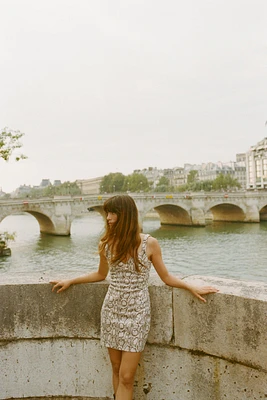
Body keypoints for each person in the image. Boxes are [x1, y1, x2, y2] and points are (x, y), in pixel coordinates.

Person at [50, 194, 218, 400]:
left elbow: (166, 277)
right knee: (115, 367)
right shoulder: (107, 243)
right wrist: (71, 280)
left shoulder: (150, 243)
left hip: (137, 313)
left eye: (112, 213)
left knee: (127, 376)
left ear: (125, 215)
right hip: (112, 309)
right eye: (107, 213)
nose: (108, 218)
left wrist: (190, 286)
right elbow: (101, 275)